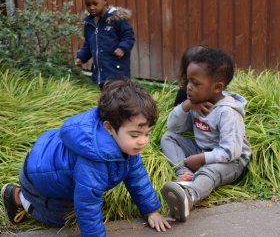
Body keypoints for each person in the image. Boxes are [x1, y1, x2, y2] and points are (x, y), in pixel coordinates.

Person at [1, 78, 172, 236]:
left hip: (48, 160)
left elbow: (138, 179)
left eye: (147, 134)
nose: (143, 141)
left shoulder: (127, 145)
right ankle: (17, 196)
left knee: (76, 204)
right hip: (37, 177)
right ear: (109, 128)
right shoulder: (93, 162)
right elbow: (87, 207)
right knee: (59, 219)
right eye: (135, 135)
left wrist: (152, 211)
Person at [160, 47, 252, 222]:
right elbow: (174, 128)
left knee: (209, 172)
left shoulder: (227, 113)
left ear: (217, 87)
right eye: (188, 81)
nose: (188, 87)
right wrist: (187, 106)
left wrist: (202, 158)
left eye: (195, 83)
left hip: (232, 162)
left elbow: (231, 151)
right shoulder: (197, 102)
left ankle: (189, 196)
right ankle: (185, 174)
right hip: (204, 150)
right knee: (169, 137)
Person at [75, 0, 135, 90]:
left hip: (117, 72)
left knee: (119, 97)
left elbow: (128, 36)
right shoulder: (89, 24)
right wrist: (81, 57)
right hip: (101, 73)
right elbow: (88, 45)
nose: (92, 7)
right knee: (107, 98)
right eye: (88, 5)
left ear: (105, 0)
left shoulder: (116, 19)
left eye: (95, 4)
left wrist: (122, 48)